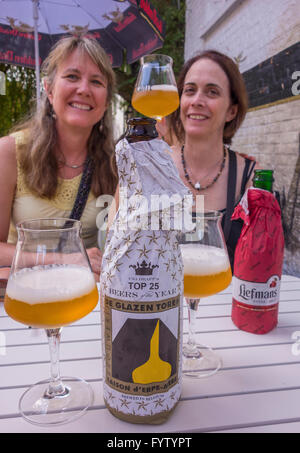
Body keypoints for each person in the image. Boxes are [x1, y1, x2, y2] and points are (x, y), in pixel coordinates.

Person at [0, 36, 118, 278]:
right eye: (72, 77)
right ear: (49, 89)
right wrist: (66, 260)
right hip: (23, 296)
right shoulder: (9, 152)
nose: (84, 89)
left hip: (84, 297)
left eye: (96, 81)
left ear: (106, 102)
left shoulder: (117, 162)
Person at [169, 50, 258, 269]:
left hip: (226, 302)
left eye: (212, 92)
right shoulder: (153, 165)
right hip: (161, 302)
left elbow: (259, 261)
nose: (197, 101)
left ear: (231, 111)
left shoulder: (250, 177)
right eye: (190, 90)